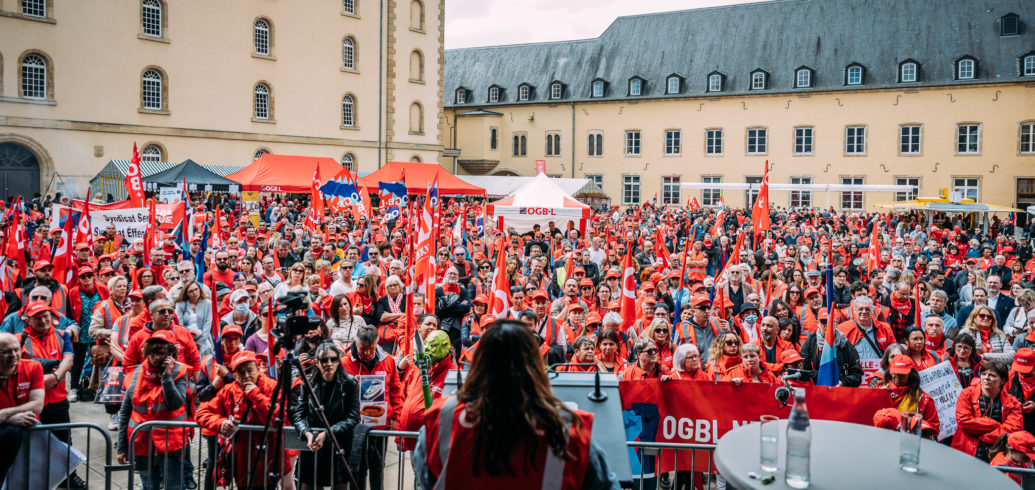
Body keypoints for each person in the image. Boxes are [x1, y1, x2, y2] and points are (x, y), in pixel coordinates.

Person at [412, 320, 620, 489]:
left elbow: (428, 481)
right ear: (535, 368)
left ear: (479, 364)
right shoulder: (569, 431)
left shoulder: (441, 422)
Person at [196, 350, 294, 489]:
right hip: (242, 462)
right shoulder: (229, 390)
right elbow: (202, 412)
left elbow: (280, 419)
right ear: (235, 374)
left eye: (250, 370)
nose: (246, 376)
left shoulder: (272, 387)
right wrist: (220, 423)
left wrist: (255, 394)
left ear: (257, 369)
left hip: (269, 458)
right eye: (241, 372)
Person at [18, 301, 86, 489]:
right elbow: (18, 364)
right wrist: (42, 379)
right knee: (33, 444)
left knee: (64, 441)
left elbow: (69, 358)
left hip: (57, 400)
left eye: (45, 316)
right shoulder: (20, 339)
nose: (42, 320)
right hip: (30, 402)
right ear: (28, 320)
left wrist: (55, 377)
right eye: (37, 318)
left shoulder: (61, 335)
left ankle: (69, 477)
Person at [116, 331, 190, 490]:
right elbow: (125, 412)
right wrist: (121, 447)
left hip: (171, 443)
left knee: (174, 486)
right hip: (142, 443)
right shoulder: (134, 374)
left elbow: (175, 403)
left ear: (171, 354)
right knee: (149, 486)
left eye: (162, 353)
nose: (156, 357)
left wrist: (167, 376)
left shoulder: (179, 372)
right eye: (153, 352)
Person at [340, 324, 403, 490]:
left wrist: (395, 417)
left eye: (371, 349)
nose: (367, 353)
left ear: (377, 344)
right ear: (356, 343)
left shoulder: (388, 360)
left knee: (377, 466)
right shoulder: (344, 363)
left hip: (380, 426)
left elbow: (396, 390)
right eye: (362, 349)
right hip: (355, 427)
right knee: (356, 468)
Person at [290, 341, 359, 490]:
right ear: (317, 362)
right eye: (324, 360)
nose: (329, 363)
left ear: (338, 361)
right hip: (314, 446)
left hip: (339, 445)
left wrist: (327, 433)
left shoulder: (349, 383)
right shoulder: (308, 383)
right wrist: (307, 434)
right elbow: (299, 415)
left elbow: (353, 417)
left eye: (333, 359)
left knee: (340, 486)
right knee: (308, 486)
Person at [952, 361, 1024, 462]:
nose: (986, 378)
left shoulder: (1012, 402)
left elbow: (1013, 430)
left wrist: (984, 437)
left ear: (1002, 381)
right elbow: (964, 422)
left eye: (992, 375)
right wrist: (996, 425)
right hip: (966, 452)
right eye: (983, 374)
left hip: (996, 457)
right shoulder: (967, 394)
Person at [398, 329, 455, 451]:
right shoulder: (417, 369)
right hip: (410, 438)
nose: (427, 349)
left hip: (436, 443)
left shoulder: (454, 374)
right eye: (426, 344)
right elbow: (402, 399)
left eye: (432, 345)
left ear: (445, 347)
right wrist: (399, 436)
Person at [0, 332, 44, 484]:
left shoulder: (33, 367)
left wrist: (4, 414)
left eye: (16, 349)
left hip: (29, 434)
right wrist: (11, 419)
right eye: (6, 352)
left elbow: (37, 405)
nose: (13, 355)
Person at [882, 354, 940, 437]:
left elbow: (933, 428)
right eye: (895, 373)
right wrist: (878, 395)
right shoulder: (879, 390)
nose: (898, 377)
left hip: (909, 441)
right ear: (890, 372)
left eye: (902, 374)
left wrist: (915, 424)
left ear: (911, 375)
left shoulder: (923, 399)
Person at [174, 280, 214, 358]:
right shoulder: (180, 304)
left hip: (204, 340)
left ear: (200, 289)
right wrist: (190, 342)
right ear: (186, 293)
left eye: (196, 289)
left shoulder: (208, 303)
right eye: (191, 291)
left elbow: (208, 323)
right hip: (186, 339)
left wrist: (200, 341)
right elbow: (179, 324)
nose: (194, 292)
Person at [1005, 348, 1035, 435]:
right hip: (1014, 424)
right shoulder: (1011, 375)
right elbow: (1000, 398)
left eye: (1026, 369)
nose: (1022, 372)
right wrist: (1012, 403)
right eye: (1020, 367)